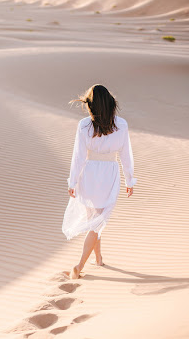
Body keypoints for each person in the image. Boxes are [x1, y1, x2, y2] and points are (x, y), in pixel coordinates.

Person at [62, 84, 137, 279]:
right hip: (109, 175)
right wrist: (130, 179)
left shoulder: (84, 125)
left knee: (95, 221)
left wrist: (73, 181)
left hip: (88, 175)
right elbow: (126, 155)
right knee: (96, 223)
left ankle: (99, 258)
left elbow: (77, 157)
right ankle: (79, 266)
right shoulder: (121, 124)